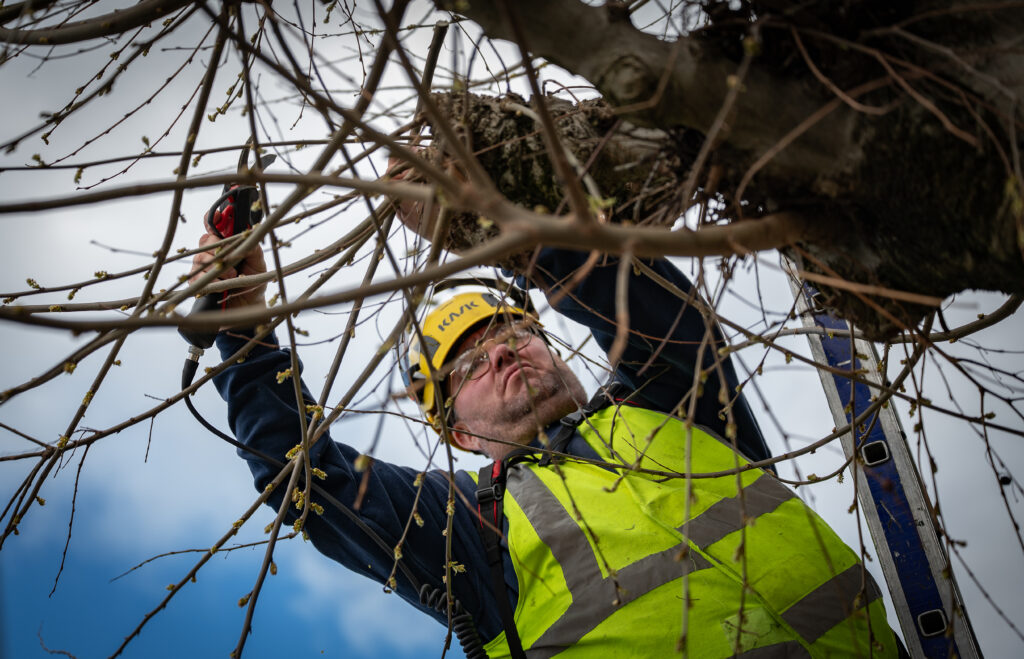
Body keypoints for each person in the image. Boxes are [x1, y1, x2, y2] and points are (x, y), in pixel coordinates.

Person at [197, 173, 901, 657]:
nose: (500, 356)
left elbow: (654, 307)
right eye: (469, 367)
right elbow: (303, 475)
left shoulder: (669, 400)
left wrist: (507, 222)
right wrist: (244, 326)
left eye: (512, 334)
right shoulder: (466, 525)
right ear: (459, 433)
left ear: (553, 347)